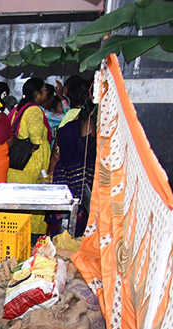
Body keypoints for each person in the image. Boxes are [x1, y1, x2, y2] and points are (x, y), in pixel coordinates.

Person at [6, 77, 53, 233]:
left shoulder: (18, 108)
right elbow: (36, 138)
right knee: (33, 203)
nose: (47, 94)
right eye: (45, 90)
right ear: (36, 93)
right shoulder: (33, 110)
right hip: (30, 165)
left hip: (17, 166)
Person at [51, 84, 96, 236]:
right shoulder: (94, 131)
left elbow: (56, 154)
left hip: (63, 180)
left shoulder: (65, 129)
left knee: (61, 224)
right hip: (80, 184)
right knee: (76, 227)